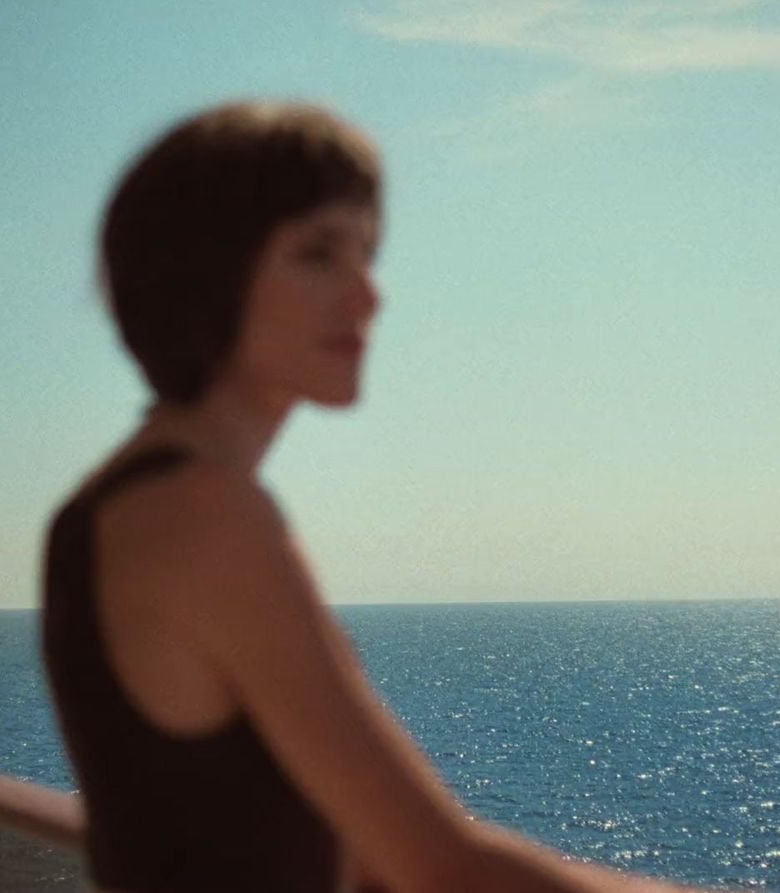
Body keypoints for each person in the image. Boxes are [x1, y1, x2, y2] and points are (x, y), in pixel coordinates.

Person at [41, 99, 720, 893]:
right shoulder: (209, 515)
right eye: (320, 252)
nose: (369, 296)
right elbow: (443, 868)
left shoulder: (106, 509)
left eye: (367, 252)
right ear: (210, 270)